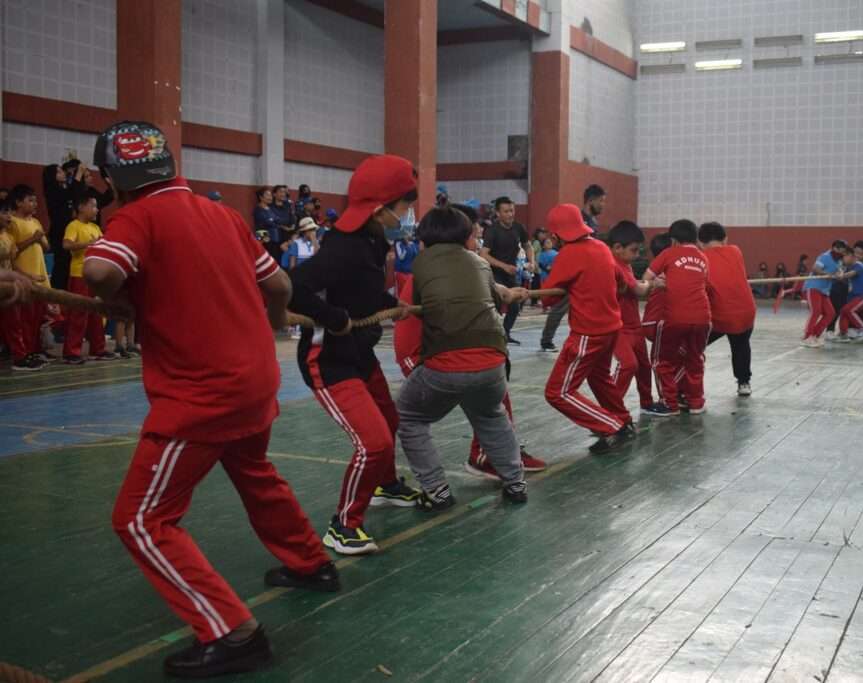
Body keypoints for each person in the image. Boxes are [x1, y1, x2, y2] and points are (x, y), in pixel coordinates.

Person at [83, 120, 338, 679]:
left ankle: (232, 633)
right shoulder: (220, 214)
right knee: (253, 470)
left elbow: (99, 269)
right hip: (256, 378)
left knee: (141, 519)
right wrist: (273, 322)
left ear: (112, 178)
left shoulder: (136, 217)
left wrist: (117, 295)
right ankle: (310, 563)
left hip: (203, 393)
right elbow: (278, 286)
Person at [288, 155, 421, 556]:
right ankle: (344, 526)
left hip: (360, 352)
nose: (407, 215)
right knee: (373, 442)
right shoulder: (343, 247)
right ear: (380, 210)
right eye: (404, 206)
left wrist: (390, 304)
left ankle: (385, 485)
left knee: (389, 420)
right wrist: (333, 317)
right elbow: (294, 286)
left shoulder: (374, 240)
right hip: (328, 360)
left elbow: (362, 291)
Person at [392, 204, 547, 480]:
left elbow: (494, 292)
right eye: (474, 237)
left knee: (491, 384)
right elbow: (406, 337)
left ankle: (492, 454)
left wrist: (509, 293)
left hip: (451, 352)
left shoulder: (470, 269)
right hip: (422, 356)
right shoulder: (429, 275)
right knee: (478, 392)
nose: (477, 244)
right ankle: (480, 461)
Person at [542, 204, 635, 453]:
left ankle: (612, 426)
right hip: (611, 329)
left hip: (588, 333)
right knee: (599, 377)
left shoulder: (569, 253)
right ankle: (623, 420)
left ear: (556, 235)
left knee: (558, 392)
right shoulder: (601, 247)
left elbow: (547, 298)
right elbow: (621, 282)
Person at [643, 219, 711, 415]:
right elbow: (704, 285)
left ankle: (669, 403)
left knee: (661, 361)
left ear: (673, 240)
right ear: (695, 239)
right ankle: (696, 403)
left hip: (675, 317)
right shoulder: (703, 257)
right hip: (703, 318)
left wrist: (661, 282)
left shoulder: (668, 253)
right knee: (695, 359)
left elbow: (646, 279)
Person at [540, 185, 606, 352]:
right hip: (571, 271)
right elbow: (547, 297)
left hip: (586, 275)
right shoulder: (577, 220)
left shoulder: (594, 225)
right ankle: (546, 340)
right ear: (591, 200)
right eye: (601, 201)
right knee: (559, 307)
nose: (603, 205)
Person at [699, 222, 757, 396]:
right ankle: (744, 382)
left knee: (692, 347)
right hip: (746, 311)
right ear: (725, 239)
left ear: (700, 242)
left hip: (719, 315)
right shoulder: (735, 251)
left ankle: (685, 385)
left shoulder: (700, 257)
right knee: (741, 345)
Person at [607, 221, 659, 414]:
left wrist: (646, 284)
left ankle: (647, 403)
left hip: (634, 325)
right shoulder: (613, 265)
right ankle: (610, 408)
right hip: (618, 327)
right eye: (634, 250)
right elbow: (639, 290)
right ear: (617, 247)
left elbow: (634, 286)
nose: (637, 255)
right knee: (628, 365)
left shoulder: (625, 264)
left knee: (644, 366)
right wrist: (651, 284)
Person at [61, 196, 117, 363]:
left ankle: (98, 349)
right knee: (78, 314)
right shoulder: (74, 225)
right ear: (81, 207)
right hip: (79, 275)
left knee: (96, 313)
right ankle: (71, 352)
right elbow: (66, 245)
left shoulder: (95, 227)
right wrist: (89, 243)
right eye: (93, 206)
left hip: (95, 276)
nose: (96, 210)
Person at [9, 184, 51, 369]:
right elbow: (12, 251)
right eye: (30, 200)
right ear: (18, 202)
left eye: (35, 200)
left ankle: (34, 350)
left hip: (39, 274)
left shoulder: (35, 222)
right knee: (24, 318)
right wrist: (33, 239)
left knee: (37, 317)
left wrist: (40, 238)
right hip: (23, 276)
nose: (35, 204)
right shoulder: (12, 222)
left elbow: (46, 247)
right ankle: (24, 352)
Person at [480, 196, 533, 345]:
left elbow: (527, 245)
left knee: (515, 306)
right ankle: (493, 336)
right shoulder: (492, 231)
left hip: (511, 274)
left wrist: (532, 261)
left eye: (512, 210)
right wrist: (504, 266)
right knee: (496, 305)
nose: (510, 214)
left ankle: (505, 333)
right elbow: (483, 254)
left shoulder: (518, 227)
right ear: (498, 213)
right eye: (506, 211)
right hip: (494, 274)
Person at [0, 207, 35, 369]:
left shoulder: (9, 237)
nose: (9, 217)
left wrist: (27, 276)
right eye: (4, 213)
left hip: (8, 288)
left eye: (9, 213)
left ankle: (20, 357)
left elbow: (13, 264)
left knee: (14, 322)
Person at [641, 233, 672, 412]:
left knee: (662, 361)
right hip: (658, 324)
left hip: (659, 324)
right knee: (664, 362)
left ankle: (669, 398)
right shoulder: (663, 273)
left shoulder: (656, 273)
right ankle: (669, 398)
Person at [801, 240, 847, 347]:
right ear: (835, 248)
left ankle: (815, 335)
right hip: (814, 287)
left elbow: (840, 271)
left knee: (830, 313)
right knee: (816, 311)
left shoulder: (839, 260)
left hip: (825, 290)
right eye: (841, 250)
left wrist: (840, 274)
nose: (843, 253)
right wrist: (827, 274)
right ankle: (807, 337)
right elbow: (815, 269)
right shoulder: (825, 256)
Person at [41, 164, 76, 291]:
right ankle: (56, 291)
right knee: (61, 264)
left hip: (66, 230)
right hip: (59, 231)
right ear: (52, 176)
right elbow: (70, 193)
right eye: (59, 172)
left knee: (66, 264)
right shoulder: (53, 190)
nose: (63, 173)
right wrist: (77, 176)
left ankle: (63, 290)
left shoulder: (62, 188)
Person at [836, 245, 863, 342]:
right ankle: (843, 334)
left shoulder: (859, 265)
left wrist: (842, 276)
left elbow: (851, 274)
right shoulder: (848, 267)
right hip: (855, 296)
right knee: (844, 311)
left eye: (844, 256)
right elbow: (843, 276)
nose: (843, 259)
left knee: (848, 310)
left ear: (851, 256)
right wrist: (838, 275)